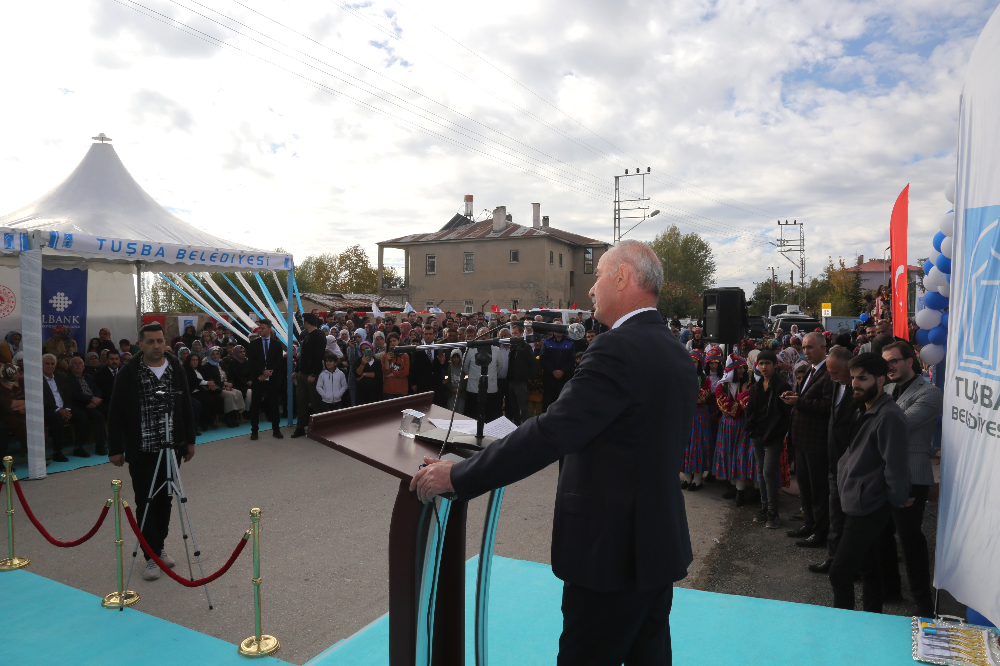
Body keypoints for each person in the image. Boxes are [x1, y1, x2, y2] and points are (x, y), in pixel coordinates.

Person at [409, 240, 694, 665]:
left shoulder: (617, 348)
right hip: (655, 546)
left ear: (622, 277)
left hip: (609, 554)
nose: (592, 288)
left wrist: (458, 475)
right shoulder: (673, 349)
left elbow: (551, 432)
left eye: (599, 275)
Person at [107, 322, 197, 582]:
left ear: (165, 342)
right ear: (141, 344)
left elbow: (185, 406)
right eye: (150, 341)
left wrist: (189, 441)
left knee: (165, 500)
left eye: (160, 341)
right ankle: (150, 556)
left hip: (171, 448)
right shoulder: (129, 372)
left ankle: (159, 546)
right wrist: (115, 448)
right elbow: (115, 411)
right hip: (142, 449)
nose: (156, 346)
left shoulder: (176, 367)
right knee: (146, 502)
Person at [828, 353, 910, 613]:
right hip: (856, 499)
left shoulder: (889, 416)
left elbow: (895, 465)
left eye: (862, 378)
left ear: (881, 380)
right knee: (869, 566)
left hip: (867, 505)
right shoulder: (866, 409)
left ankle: (844, 628)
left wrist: (896, 498)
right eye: (853, 378)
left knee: (839, 572)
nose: (855, 383)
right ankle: (871, 620)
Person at [879, 341, 941, 616]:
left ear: (910, 361)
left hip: (912, 474)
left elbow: (898, 426)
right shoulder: (887, 389)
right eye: (885, 362)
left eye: (894, 361)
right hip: (883, 470)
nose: (889, 367)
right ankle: (890, 588)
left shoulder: (930, 392)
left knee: (910, 538)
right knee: (882, 533)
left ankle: (923, 601)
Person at [808, 345, 857, 575]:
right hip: (834, 461)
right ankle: (833, 559)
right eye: (829, 372)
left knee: (850, 520)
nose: (831, 377)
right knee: (835, 515)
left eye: (835, 372)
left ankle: (851, 565)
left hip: (852, 465)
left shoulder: (858, 390)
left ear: (850, 368)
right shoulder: (836, 384)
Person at [782, 332, 834, 549]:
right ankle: (810, 524)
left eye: (810, 347)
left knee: (818, 489)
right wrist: (795, 398)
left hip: (816, 442)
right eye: (804, 347)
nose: (806, 351)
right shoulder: (810, 370)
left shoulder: (828, 372)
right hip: (802, 440)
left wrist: (799, 402)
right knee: (805, 486)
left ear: (823, 347)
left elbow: (828, 406)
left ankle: (820, 531)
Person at [745, 349, 792, 527]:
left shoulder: (782, 386)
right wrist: (750, 430)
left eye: (767, 363)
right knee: (761, 471)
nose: (764, 367)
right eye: (761, 363)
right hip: (756, 434)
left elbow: (785, 415)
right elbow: (750, 410)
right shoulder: (756, 386)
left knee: (768, 472)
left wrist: (777, 434)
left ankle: (773, 512)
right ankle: (764, 508)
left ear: (775, 365)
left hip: (773, 436)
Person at [713, 355, 753, 504]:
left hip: (742, 425)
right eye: (739, 368)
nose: (742, 370)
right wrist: (740, 404)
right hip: (728, 427)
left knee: (740, 455)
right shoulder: (721, 386)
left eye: (743, 367)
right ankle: (732, 486)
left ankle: (740, 490)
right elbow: (723, 405)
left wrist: (734, 407)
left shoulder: (748, 385)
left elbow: (748, 405)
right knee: (729, 454)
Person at [41, 353, 89, 462]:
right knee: (58, 419)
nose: (50, 366)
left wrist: (67, 409)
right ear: (41, 365)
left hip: (64, 407)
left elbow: (68, 395)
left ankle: (78, 447)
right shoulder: (38, 380)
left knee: (81, 415)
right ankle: (57, 452)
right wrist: (58, 410)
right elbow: (42, 399)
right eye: (47, 364)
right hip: (48, 409)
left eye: (52, 364)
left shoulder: (61, 377)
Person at [247, 320, 286, 440]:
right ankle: (254, 431)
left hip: (272, 379)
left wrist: (269, 372)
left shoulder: (276, 344)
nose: (260, 330)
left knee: (274, 404)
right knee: (255, 405)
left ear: (269, 329)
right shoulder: (254, 344)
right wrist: (262, 371)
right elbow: (252, 361)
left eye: (262, 328)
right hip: (258, 378)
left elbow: (279, 361)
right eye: (259, 328)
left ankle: (276, 430)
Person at [291, 313, 327, 438]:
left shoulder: (319, 336)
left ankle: (321, 428)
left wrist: (313, 374)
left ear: (306, 322)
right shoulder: (307, 336)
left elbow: (318, 357)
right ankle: (300, 427)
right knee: (301, 402)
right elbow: (303, 356)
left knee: (316, 402)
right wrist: (297, 370)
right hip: (303, 373)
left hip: (312, 375)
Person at [682, 350, 713, 491]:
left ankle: (698, 479)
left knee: (697, 446)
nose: (691, 363)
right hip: (686, 415)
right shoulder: (682, 376)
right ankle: (687, 478)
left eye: (694, 361)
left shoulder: (705, 380)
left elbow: (700, 398)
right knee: (685, 446)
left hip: (699, 417)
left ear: (700, 363)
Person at [67, 356, 108, 456]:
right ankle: (99, 446)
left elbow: (97, 390)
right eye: (75, 363)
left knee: (112, 410)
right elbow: (73, 394)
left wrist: (95, 400)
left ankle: (119, 441)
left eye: (80, 363)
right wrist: (91, 399)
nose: (78, 365)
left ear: (84, 366)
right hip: (80, 405)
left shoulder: (88, 377)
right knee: (98, 416)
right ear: (70, 366)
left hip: (93, 402)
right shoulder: (67, 379)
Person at [206, 347, 245, 427]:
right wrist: (224, 384)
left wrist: (230, 385)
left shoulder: (221, 364)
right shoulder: (207, 366)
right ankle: (227, 417)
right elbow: (210, 379)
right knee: (229, 395)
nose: (215, 356)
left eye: (217, 354)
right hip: (218, 388)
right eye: (213, 354)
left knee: (238, 393)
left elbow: (230, 376)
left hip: (227, 387)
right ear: (210, 355)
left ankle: (235, 416)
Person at [185, 353, 223, 429]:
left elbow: (207, 378)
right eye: (193, 360)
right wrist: (207, 383)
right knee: (208, 400)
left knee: (218, 398)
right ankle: (204, 422)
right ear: (189, 361)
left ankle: (211, 420)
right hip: (193, 391)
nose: (195, 362)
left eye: (196, 360)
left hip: (204, 390)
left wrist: (210, 384)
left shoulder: (200, 369)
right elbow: (194, 380)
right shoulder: (186, 370)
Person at [541, 327, 575, 411]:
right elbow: (543, 358)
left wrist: (563, 371)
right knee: (548, 403)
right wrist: (553, 371)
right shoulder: (547, 342)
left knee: (563, 402)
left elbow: (572, 360)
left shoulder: (570, 342)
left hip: (564, 378)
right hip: (549, 378)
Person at [0, 363, 27, 462]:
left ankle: (38, 449)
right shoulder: (1, 387)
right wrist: (18, 408)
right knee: (20, 424)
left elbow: (29, 399)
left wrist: (19, 407)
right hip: (8, 414)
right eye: (15, 373)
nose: (18, 374)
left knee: (35, 421)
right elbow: (7, 404)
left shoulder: (22, 382)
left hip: (23, 411)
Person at [381, 333, 410, 400]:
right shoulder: (384, 356)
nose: (392, 343)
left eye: (394, 340)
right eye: (390, 341)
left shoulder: (405, 355)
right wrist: (387, 360)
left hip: (402, 389)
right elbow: (386, 372)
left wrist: (393, 374)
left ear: (399, 341)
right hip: (389, 389)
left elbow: (406, 372)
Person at [95, 350, 122, 417]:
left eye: (116, 359)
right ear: (107, 359)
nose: (114, 361)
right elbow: (104, 393)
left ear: (119, 359)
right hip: (108, 403)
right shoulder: (99, 375)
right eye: (111, 359)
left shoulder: (125, 371)